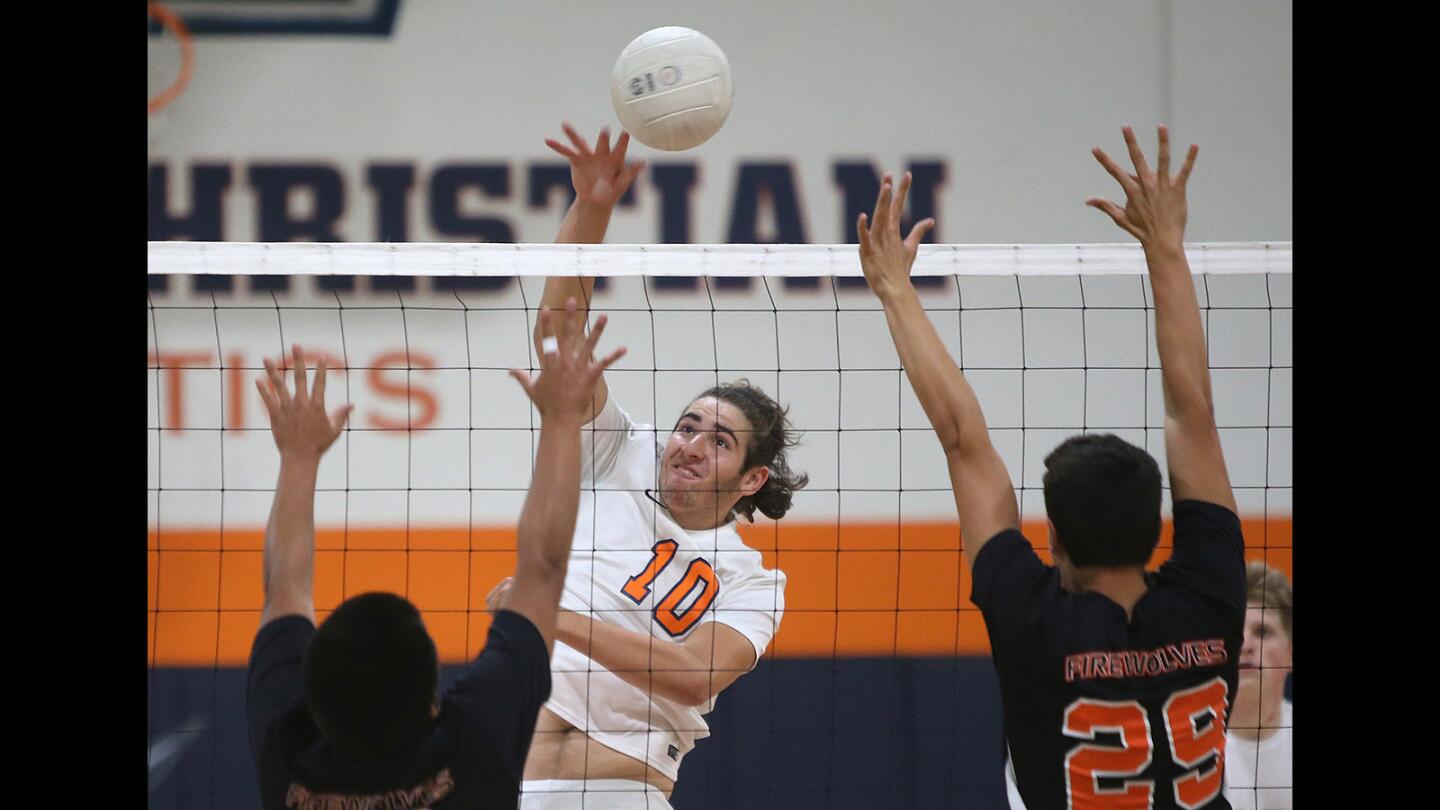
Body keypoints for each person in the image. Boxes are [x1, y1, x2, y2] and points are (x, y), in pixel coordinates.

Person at [859, 126, 1245, 809]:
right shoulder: (1207, 598)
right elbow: (1195, 415)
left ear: (1056, 537)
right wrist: (1166, 248)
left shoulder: (1036, 623)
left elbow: (961, 441)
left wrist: (894, 288)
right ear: (1160, 525)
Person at [487, 123, 807, 809]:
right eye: (688, 426)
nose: (689, 444)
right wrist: (593, 207)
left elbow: (694, 678)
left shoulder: (753, 583)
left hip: (622, 790)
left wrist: (542, 615)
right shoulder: (618, 450)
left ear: (752, 479)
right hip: (509, 778)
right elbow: (557, 334)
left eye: (718, 441)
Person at [246, 310, 626, 809]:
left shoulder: (288, 751)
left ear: (312, 701)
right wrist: (563, 418)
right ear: (432, 701)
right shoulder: (474, 739)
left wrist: (297, 458)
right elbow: (546, 565)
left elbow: (282, 591)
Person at [1222, 562, 1293, 809]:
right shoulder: (1189, 750)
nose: (1245, 645)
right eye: (1233, 633)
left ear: (1290, 653)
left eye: (1262, 632)